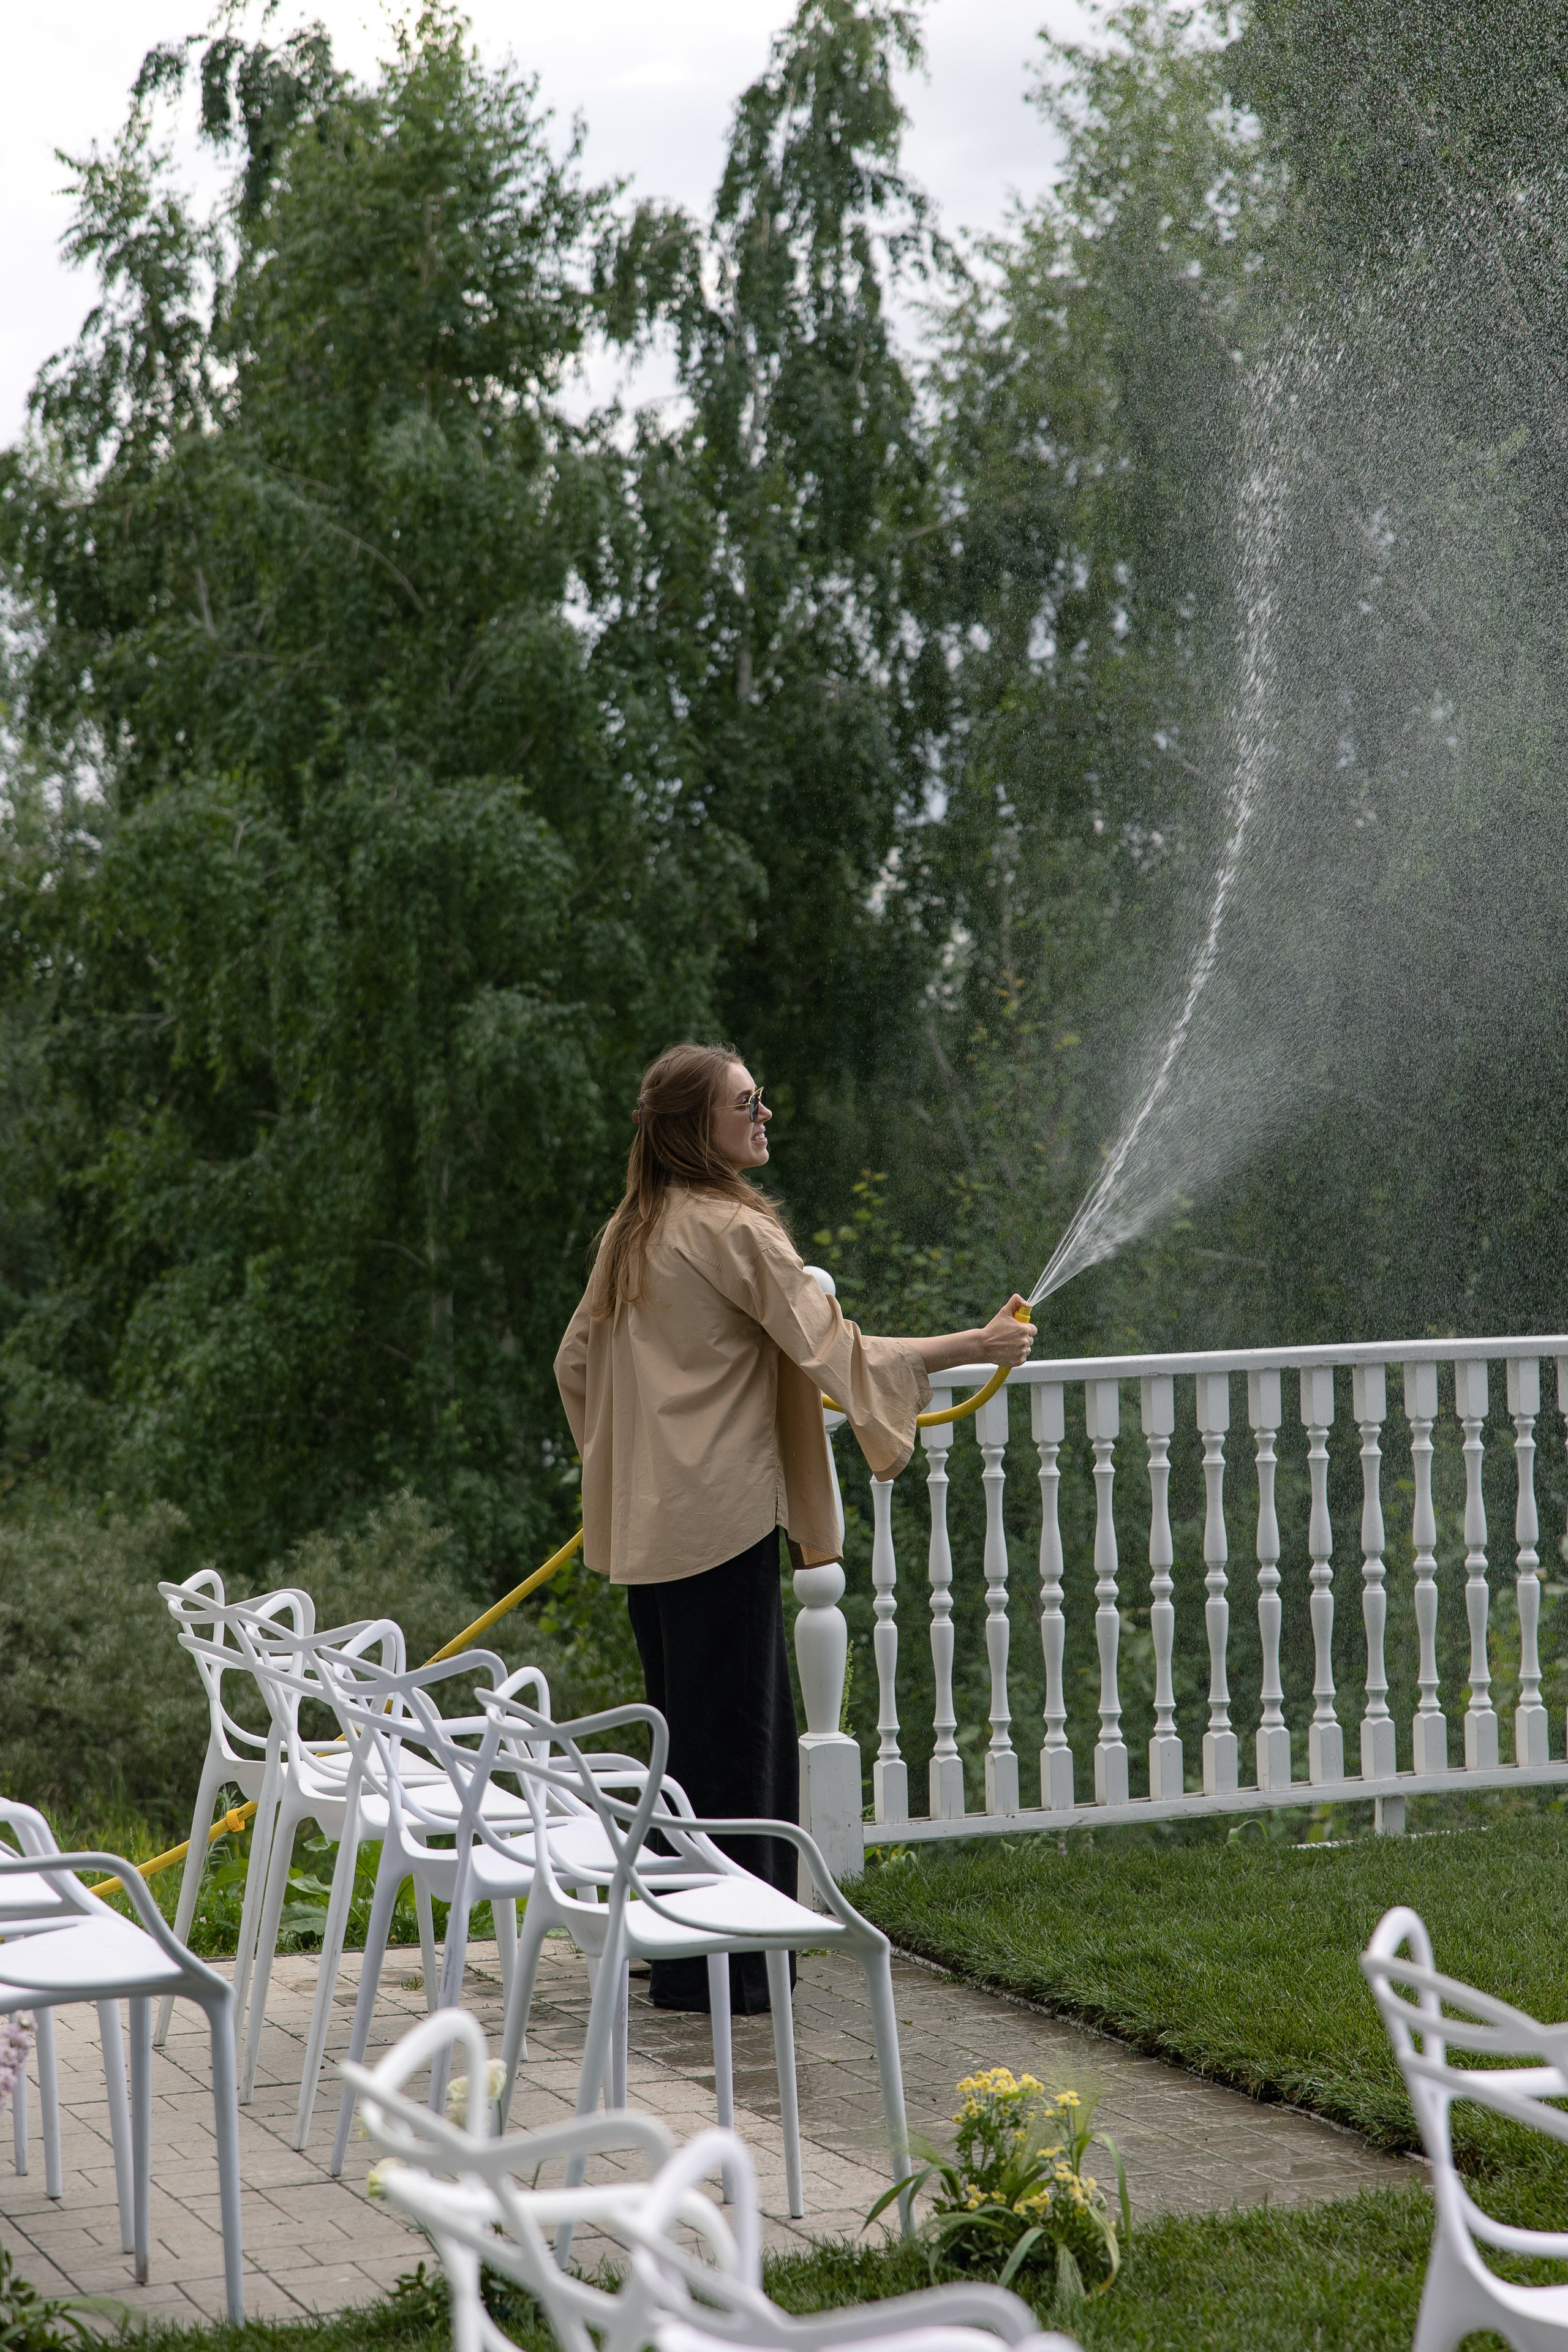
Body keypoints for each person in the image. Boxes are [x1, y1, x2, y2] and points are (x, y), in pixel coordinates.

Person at [553, 1041, 1036, 2013]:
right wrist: (978, 1344)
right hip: (724, 1521)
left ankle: (682, 1959)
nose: (764, 1114)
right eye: (746, 1102)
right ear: (698, 1129)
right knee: (736, 1749)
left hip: (653, 1531)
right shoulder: (735, 1230)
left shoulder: (633, 1229)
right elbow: (835, 1350)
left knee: (680, 1748)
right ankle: (730, 1974)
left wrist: (633, 1463)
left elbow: (574, 1366)